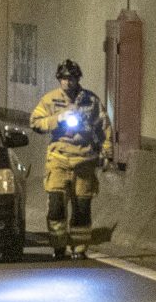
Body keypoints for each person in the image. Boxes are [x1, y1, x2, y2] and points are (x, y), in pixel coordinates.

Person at [29, 58, 112, 258]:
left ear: (78, 79)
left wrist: (106, 152)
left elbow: (104, 127)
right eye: (64, 78)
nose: (68, 82)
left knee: (82, 207)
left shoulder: (91, 101)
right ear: (59, 79)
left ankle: (80, 247)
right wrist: (58, 119)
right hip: (59, 159)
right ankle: (58, 245)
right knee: (56, 205)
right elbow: (35, 122)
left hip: (84, 161)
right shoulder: (50, 100)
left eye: (71, 78)